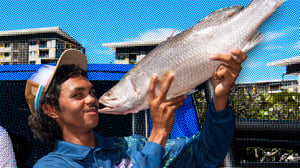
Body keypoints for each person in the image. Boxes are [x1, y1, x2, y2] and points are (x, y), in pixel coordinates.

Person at [26, 48, 246, 168]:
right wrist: (158, 134)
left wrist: (219, 98)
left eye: (91, 91)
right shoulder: (52, 165)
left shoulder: (130, 146)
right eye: (77, 95)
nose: (92, 100)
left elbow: (205, 155)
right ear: (51, 110)